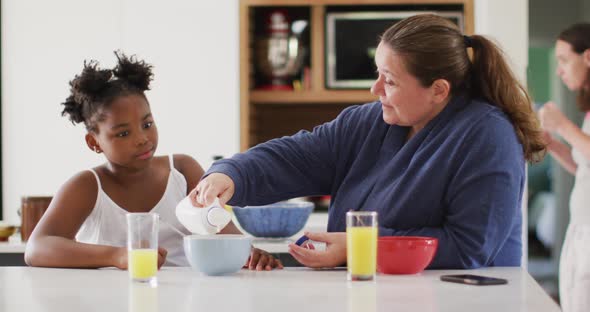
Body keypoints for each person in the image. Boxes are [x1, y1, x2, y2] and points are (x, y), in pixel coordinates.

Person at [191, 14, 546, 270]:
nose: (375, 90)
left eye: (389, 80)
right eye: (378, 74)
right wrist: (232, 174)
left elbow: (469, 247)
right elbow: (296, 157)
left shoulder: (489, 137)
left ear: (439, 90)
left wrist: (359, 246)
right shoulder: (369, 121)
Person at [24, 52, 282, 271]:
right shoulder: (88, 185)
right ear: (94, 142)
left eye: (147, 124)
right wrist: (119, 256)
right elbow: (37, 248)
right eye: (123, 133)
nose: (142, 139)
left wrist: (249, 253)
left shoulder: (182, 169)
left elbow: (226, 235)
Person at [537, 23, 590, 312]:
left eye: (563, 60)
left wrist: (563, 126)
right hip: (580, 227)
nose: (559, 70)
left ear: (588, 57)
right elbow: (585, 168)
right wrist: (553, 144)